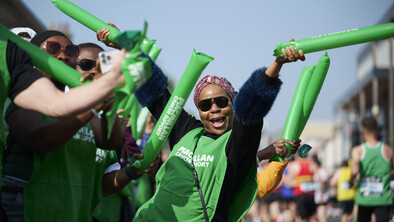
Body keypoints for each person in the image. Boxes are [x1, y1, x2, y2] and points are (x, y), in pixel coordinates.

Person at [127, 37, 304, 221]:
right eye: (205, 105)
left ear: (234, 104)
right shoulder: (186, 130)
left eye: (221, 102)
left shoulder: (236, 145)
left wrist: (277, 64)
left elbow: (252, 106)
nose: (214, 109)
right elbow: (156, 95)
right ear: (199, 111)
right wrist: (128, 49)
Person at [1, 32, 133, 222]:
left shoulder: (80, 106)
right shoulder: (23, 100)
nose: (63, 55)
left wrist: (108, 103)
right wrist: (92, 109)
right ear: (33, 57)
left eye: (71, 51)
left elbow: (109, 141)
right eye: (53, 49)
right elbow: (40, 140)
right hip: (25, 203)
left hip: (69, 205)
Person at [350, 117, 393, 222]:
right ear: (377, 130)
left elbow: (355, 170)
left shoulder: (358, 150)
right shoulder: (388, 150)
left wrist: (351, 180)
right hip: (383, 198)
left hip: (365, 199)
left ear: (362, 131)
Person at [288, 154, 316, 222]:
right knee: (312, 216)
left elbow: (289, 182)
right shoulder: (312, 164)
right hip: (311, 194)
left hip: (299, 194)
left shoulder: (294, 165)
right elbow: (318, 178)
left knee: (302, 217)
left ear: (298, 155)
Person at [311, 155, 329, 222]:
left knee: (322, 216)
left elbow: (323, 183)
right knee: (319, 216)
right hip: (318, 196)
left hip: (322, 196)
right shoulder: (316, 172)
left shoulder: (322, 171)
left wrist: (321, 195)